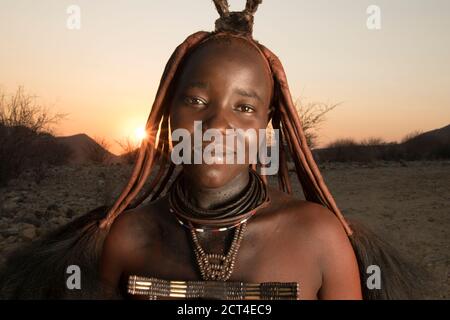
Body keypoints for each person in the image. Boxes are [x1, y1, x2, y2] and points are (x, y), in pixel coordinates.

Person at [0, 0, 425, 300]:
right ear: (168, 113)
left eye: (244, 107)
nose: (219, 125)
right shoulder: (127, 238)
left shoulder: (320, 238)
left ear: (266, 126)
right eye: (198, 101)